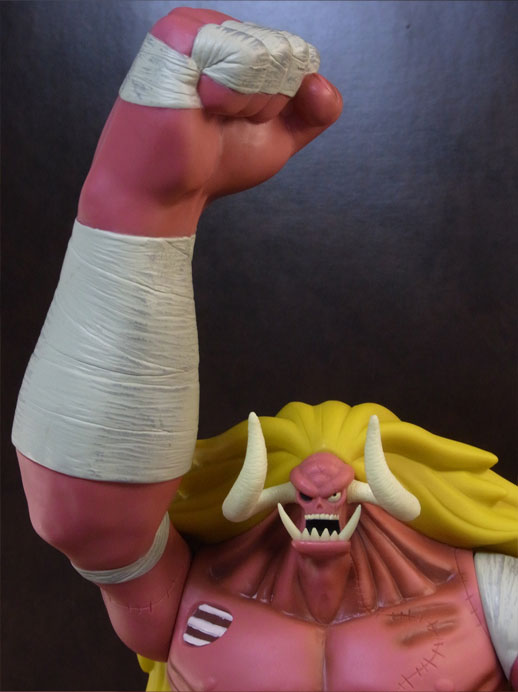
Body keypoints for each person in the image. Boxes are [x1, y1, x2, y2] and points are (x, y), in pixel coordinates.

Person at [12, 7, 517, 691]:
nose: (321, 489)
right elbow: (89, 519)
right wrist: (142, 201)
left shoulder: (492, 600)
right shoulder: (195, 601)